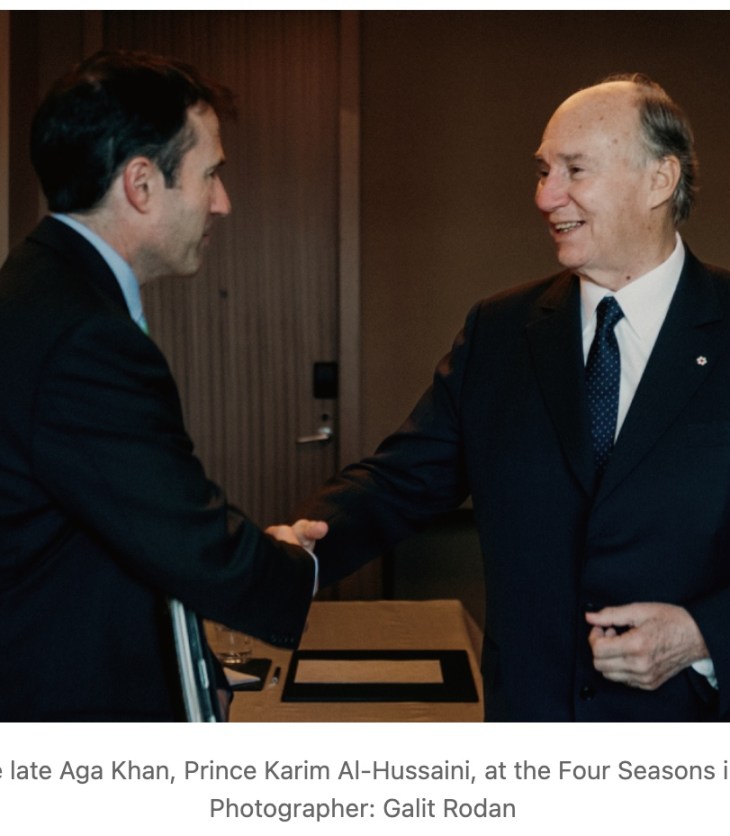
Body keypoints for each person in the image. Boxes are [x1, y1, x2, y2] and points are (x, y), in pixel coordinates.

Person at [294, 74, 730, 721]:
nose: (546, 196)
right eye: (543, 171)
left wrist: (703, 634)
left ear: (659, 181)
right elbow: (404, 480)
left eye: (574, 170)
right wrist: (293, 551)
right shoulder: (500, 330)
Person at [0, 49, 325, 721]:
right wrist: (296, 564)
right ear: (142, 184)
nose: (223, 202)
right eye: (211, 175)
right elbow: (183, 537)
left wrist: (191, 668)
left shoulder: (45, 292)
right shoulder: (81, 335)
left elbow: (116, 530)